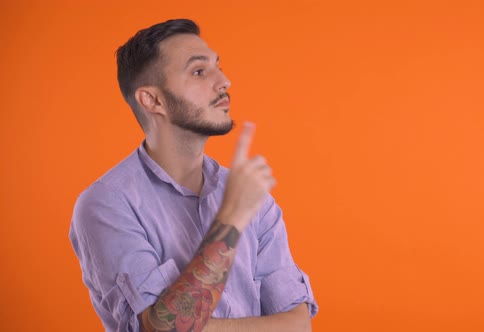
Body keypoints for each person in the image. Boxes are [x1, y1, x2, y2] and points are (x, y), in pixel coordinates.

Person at [69, 18, 318, 332]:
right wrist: (232, 218)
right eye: (199, 72)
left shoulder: (251, 195)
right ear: (153, 100)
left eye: (218, 66)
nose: (224, 81)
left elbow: (298, 324)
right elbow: (164, 329)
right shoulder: (106, 204)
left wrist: (196, 326)